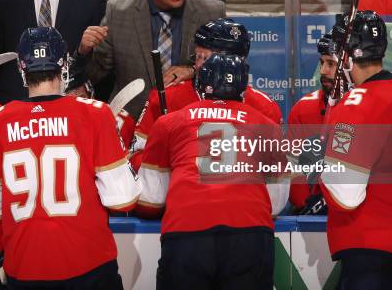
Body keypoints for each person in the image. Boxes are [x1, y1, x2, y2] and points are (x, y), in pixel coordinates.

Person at [0, 27, 141, 289]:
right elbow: (122, 199)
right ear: (65, 64)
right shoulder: (95, 114)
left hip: (25, 268)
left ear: (21, 67)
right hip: (91, 266)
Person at [136, 53, 288, 290]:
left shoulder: (169, 123)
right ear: (243, 88)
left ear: (201, 84)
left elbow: (151, 199)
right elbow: (277, 203)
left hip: (187, 232)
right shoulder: (267, 126)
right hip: (249, 232)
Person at [313, 11, 392, 288]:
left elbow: (345, 194)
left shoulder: (359, 102)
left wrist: (323, 161)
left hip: (375, 238)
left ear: (346, 56)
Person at [79, 0, 226, 119]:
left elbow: (225, 71)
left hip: (190, 123)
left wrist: (193, 71)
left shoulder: (210, 12)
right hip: (131, 126)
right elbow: (95, 75)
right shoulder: (118, 13)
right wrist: (84, 51)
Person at [129, 18, 283, 171]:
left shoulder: (265, 107)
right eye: (197, 56)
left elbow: (276, 169)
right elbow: (135, 156)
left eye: (206, 58)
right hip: (182, 192)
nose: (197, 65)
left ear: (235, 63)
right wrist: (168, 164)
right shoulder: (167, 97)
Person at [286, 33, 337, 214]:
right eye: (322, 62)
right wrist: (309, 208)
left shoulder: (370, 108)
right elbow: (293, 175)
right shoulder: (303, 110)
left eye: (331, 64)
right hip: (310, 217)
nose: (323, 70)